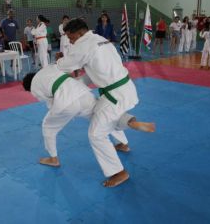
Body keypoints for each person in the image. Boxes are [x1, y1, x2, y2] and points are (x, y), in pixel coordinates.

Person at [57, 18, 155, 187]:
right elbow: (94, 70)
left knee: (96, 134)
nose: (70, 41)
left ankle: (118, 172)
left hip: (114, 95)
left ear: (80, 33)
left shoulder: (83, 45)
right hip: (124, 88)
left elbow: (65, 66)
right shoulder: (102, 40)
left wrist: (59, 58)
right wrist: (78, 84)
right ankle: (124, 138)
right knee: (99, 114)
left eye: (71, 37)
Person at [22, 65, 155, 167]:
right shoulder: (49, 68)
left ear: (28, 87)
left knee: (48, 127)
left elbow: (50, 102)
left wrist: (60, 113)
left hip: (66, 103)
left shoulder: (34, 87)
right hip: (82, 92)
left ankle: (53, 158)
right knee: (102, 117)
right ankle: (123, 141)